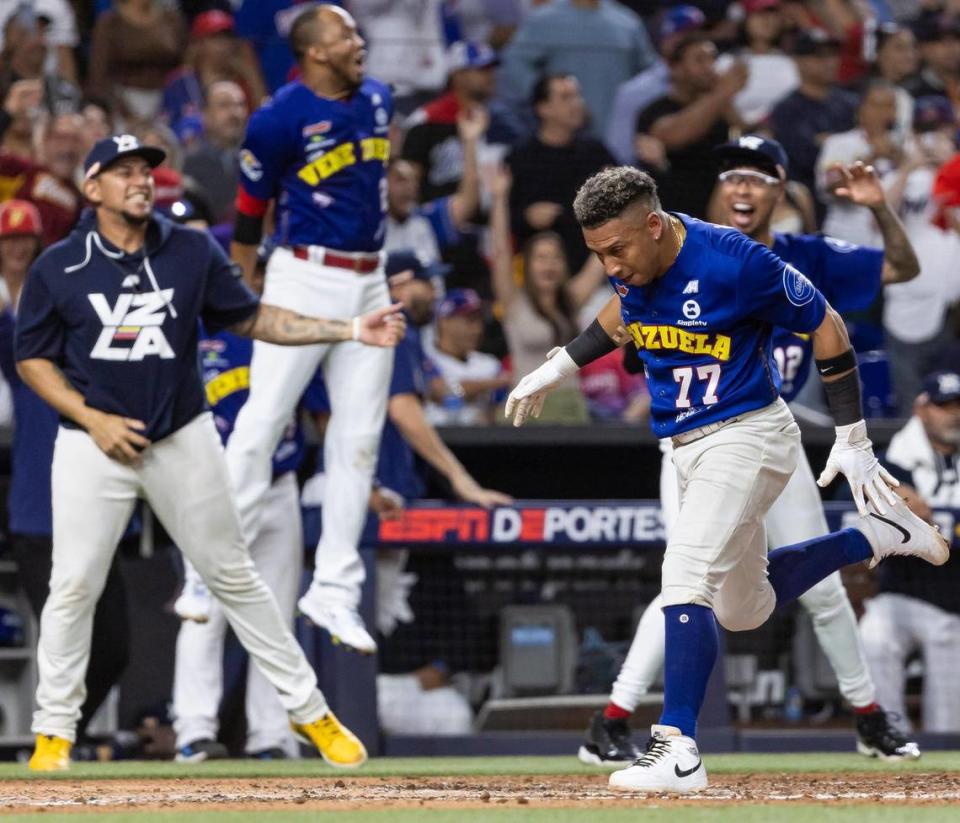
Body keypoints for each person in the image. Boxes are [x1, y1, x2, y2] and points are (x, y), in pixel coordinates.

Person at [505, 165, 948, 793]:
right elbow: (618, 314)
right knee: (744, 609)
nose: (609, 265)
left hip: (748, 433)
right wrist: (561, 365)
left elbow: (827, 325)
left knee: (683, 575)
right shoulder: (635, 266)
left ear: (654, 226)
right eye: (598, 252)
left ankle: (678, 745)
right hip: (687, 443)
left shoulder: (736, 261)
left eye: (617, 249)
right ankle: (874, 536)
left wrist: (853, 439)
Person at [15, 133, 404, 772]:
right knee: (72, 585)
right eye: (123, 172)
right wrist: (91, 417)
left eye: (145, 171)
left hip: (180, 435)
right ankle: (53, 734)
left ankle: (311, 714)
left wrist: (346, 328)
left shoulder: (191, 250)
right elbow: (32, 359)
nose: (140, 180)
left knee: (234, 576)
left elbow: (254, 319)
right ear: (92, 189)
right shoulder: (59, 266)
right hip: (92, 441)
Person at [225, 5, 397, 656]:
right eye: (345, 35)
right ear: (315, 53)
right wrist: (243, 294)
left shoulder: (378, 98)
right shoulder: (276, 118)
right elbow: (247, 215)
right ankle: (206, 565)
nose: (359, 42)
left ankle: (334, 587)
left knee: (357, 440)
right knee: (263, 419)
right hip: (302, 273)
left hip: (370, 278)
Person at [0, 198, 131, 750]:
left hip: (96, 505)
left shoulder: (85, 323)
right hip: (37, 511)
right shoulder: (20, 337)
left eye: (25, 240)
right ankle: (52, 739)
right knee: (60, 638)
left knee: (113, 646)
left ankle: (62, 734)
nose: (17, 248)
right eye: (8, 242)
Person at [860, 370, 960, 733]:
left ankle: (944, 764)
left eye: (958, 406)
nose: (953, 414)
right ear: (922, 408)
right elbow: (852, 493)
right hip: (900, 595)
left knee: (949, 717)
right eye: (943, 406)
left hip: (953, 606)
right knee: (875, 635)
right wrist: (889, 494)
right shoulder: (896, 457)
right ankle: (889, 738)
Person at [490, 167, 605, 423]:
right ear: (527, 265)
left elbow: (601, 257)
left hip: (570, 407)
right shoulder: (514, 301)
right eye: (541, 258)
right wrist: (499, 199)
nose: (549, 265)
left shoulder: (571, 300)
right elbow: (499, 251)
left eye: (555, 258)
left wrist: (610, 206)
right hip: (523, 405)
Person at [499, 0, 656, 139]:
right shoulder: (544, 21)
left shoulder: (628, 23)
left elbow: (651, 76)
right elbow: (515, 64)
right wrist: (547, 101)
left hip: (618, 136)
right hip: (564, 140)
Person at [506, 73, 615, 272]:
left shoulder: (596, 152)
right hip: (538, 272)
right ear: (543, 108)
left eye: (577, 96)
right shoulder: (521, 156)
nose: (577, 104)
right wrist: (526, 217)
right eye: (566, 98)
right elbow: (501, 215)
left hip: (591, 266)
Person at [634, 33, 747, 219]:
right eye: (700, 60)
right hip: (672, 221)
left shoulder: (720, 107)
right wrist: (722, 92)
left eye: (712, 59)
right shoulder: (654, 111)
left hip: (718, 219)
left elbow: (743, 132)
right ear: (675, 68)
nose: (709, 67)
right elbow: (672, 136)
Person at [769, 28, 858, 209]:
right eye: (819, 57)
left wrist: (830, 142)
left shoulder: (851, 103)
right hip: (812, 204)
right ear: (799, 62)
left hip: (854, 203)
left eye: (833, 55)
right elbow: (809, 158)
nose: (830, 62)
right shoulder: (787, 110)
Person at [424, 287, 509, 426]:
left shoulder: (490, 363)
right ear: (444, 321)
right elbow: (442, 393)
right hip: (438, 436)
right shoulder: (426, 358)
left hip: (480, 440)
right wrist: (490, 384)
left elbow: (499, 407)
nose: (477, 329)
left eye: (478, 320)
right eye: (469, 320)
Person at [182, 81, 249, 224]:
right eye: (224, 105)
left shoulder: (261, 157)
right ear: (205, 114)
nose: (234, 113)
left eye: (240, 105)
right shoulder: (189, 163)